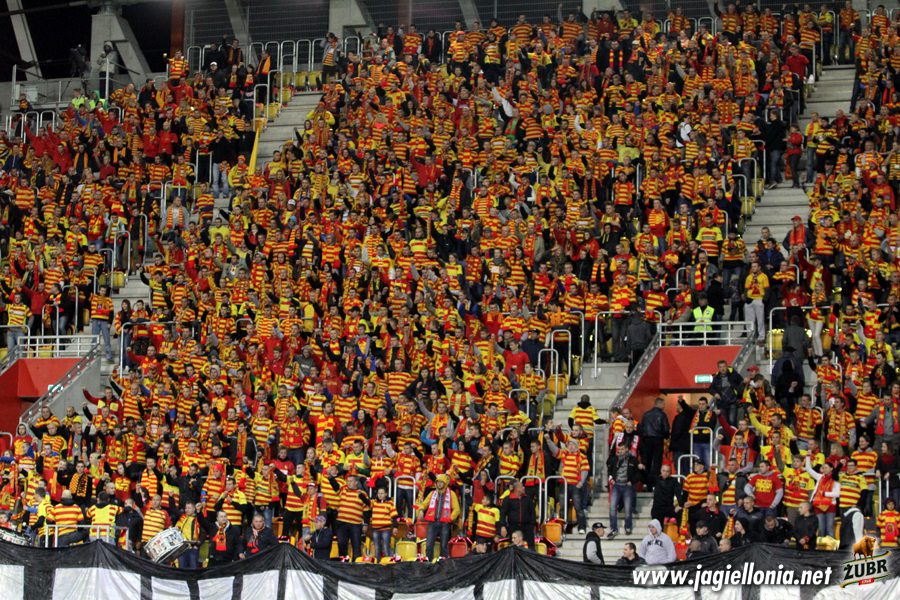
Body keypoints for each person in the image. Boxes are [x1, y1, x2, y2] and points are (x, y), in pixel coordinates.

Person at [420, 474, 460, 560]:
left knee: (444, 546)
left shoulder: (452, 494)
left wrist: (450, 518)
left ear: (445, 483)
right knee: (429, 545)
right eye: (438, 482)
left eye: (442, 482)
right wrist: (421, 510)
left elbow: (457, 509)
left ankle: (443, 564)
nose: (439, 484)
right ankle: (429, 564)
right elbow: (424, 504)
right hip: (432, 522)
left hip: (445, 523)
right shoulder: (432, 493)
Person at [606, 443, 641, 538]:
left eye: (622, 449)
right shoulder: (614, 459)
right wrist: (611, 480)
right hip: (616, 485)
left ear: (626, 449)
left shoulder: (633, 460)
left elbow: (638, 474)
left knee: (628, 508)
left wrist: (632, 482)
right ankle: (613, 528)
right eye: (619, 449)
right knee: (612, 507)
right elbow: (609, 470)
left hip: (627, 486)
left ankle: (628, 527)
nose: (620, 451)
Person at [640, 398, 670, 489]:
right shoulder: (662, 415)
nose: (664, 406)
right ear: (659, 404)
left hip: (647, 440)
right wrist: (665, 436)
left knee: (647, 462)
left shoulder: (646, 414)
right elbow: (666, 429)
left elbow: (642, 428)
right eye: (663, 404)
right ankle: (655, 483)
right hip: (658, 440)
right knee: (657, 462)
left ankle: (647, 483)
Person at [499, 481, 536, 550]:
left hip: (527, 527)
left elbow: (532, 512)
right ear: (518, 489)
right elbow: (503, 513)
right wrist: (502, 526)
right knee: (514, 548)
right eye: (522, 486)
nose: (524, 488)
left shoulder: (528, 499)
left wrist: (532, 524)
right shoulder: (507, 499)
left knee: (530, 548)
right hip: (513, 527)